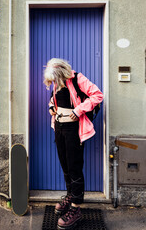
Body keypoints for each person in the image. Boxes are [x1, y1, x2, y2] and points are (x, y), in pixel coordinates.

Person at [43, 58, 103, 230]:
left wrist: (78, 110)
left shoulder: (78, 79)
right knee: (65, 165)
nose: (54, 82)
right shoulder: (57, 82)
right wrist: (51, 107)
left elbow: (97, 95)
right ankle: (71, 195)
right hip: (59, 126)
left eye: (55, 79)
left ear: (61, 73)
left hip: (74, 128)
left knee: (74, 166)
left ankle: (76, 208)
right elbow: (54, 99)